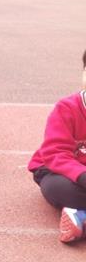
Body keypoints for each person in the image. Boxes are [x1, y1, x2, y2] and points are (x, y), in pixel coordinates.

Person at [28, 49, 86, 243]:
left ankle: (81, 220)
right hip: (56, 170)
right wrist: (81, 175)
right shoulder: (67, 108)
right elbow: (55, 153)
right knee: (60, 189)